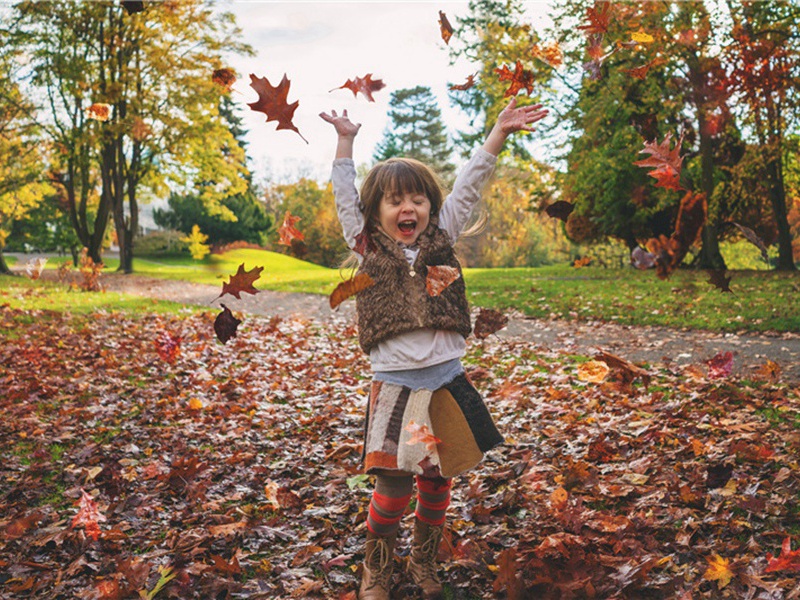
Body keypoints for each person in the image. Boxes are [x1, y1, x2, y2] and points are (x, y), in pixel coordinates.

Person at [320, 97, 548, 600]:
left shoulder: (442, 239)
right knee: (394, 486)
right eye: (396, 200)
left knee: (438, 481)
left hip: (445, 381)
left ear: (431, 207)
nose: (409, 208)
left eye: (419, 199)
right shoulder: (367, 245)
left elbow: (470, 181)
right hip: (397, 386)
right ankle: (376, 565)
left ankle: (424, 560)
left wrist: (499, 134)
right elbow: (343, 196)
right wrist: (345, 142)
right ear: (375, 211)